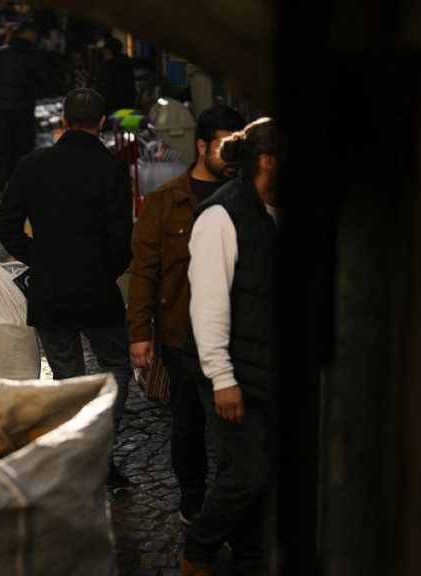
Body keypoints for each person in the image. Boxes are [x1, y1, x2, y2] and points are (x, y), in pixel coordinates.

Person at [0, 88, 133, 490]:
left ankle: (79, 452)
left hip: (50, 288)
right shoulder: (111, 169)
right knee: (117, 367)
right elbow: (121, 238)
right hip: (97, 288)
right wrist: (106, 268)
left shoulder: (33, 164)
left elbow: (4, 223)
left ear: (64, 122)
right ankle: (100, 445)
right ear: (101, 123)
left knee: (68, 377)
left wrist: (37, 255)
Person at [126, 105, 247, 526]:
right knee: (188, 422)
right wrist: (140, 332)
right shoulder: (165, 202)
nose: (233, 157)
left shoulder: (246, 201)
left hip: (238, 335)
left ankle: (232, 506)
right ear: (201, 146)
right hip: (180, 333)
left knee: (237, 430)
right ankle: (193, 501)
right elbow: (144, 271)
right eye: (225, 146)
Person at [179, 118, 280, 576]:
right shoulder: (222, 216)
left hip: (267, 365)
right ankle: (197, 548)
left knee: (257, 469)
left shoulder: (272, 209)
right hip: (230, 368)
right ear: (267, 161)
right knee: (247, 472)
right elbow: (209, 306)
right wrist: (222, 378)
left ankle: (251, 555)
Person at [0, 20, 58, 200]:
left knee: (0, 149)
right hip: (23, 111)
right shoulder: (34, 56)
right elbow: (47, 82)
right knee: (23, 150)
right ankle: (19, 188)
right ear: (33, 36)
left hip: (0, 111)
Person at [94, 37, 137, 117]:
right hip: (127, 107)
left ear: (108, 51)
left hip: (112, 109)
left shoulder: (109, 67)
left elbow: (105, 90)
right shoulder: (126, 64)